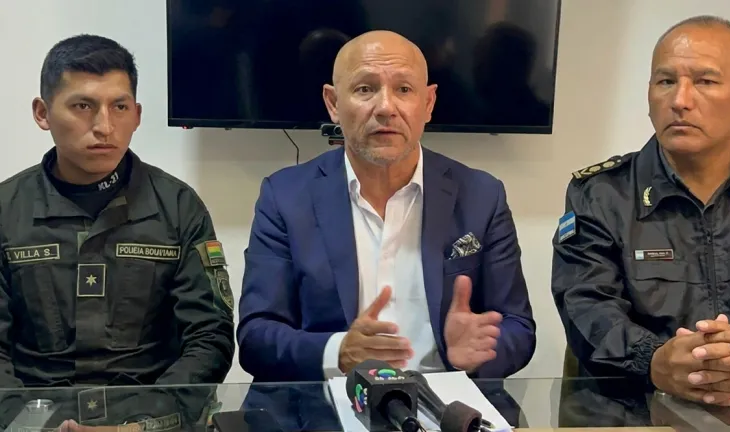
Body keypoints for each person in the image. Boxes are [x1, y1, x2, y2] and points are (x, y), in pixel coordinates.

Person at [238, 30, 535, 383]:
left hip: (446, 397)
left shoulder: (482, 195)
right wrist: (337, 352)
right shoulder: (285, 197)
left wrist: (476, 354)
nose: (385, 108)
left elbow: (518, 326)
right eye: (365, 89)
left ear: (428, 103)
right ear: (333, 103)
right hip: (331, 400)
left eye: (404, 89)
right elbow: (256, 336)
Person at [0, 34, 235, 429]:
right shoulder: (7, 211)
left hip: (149, 420)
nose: (104, 126)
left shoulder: (178, 207)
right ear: (43, 113)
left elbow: (209, 337)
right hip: (34, 419)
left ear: (137, 115)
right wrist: (29, 425)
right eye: (83, 106)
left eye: (119, 107)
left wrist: (147, 424)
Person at [551, 15, 730, 409]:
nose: (680, 100)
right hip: (632, 412)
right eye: (666, 81)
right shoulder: (601, 194)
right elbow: (586, 305)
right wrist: (653, 360)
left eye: (705, 81)